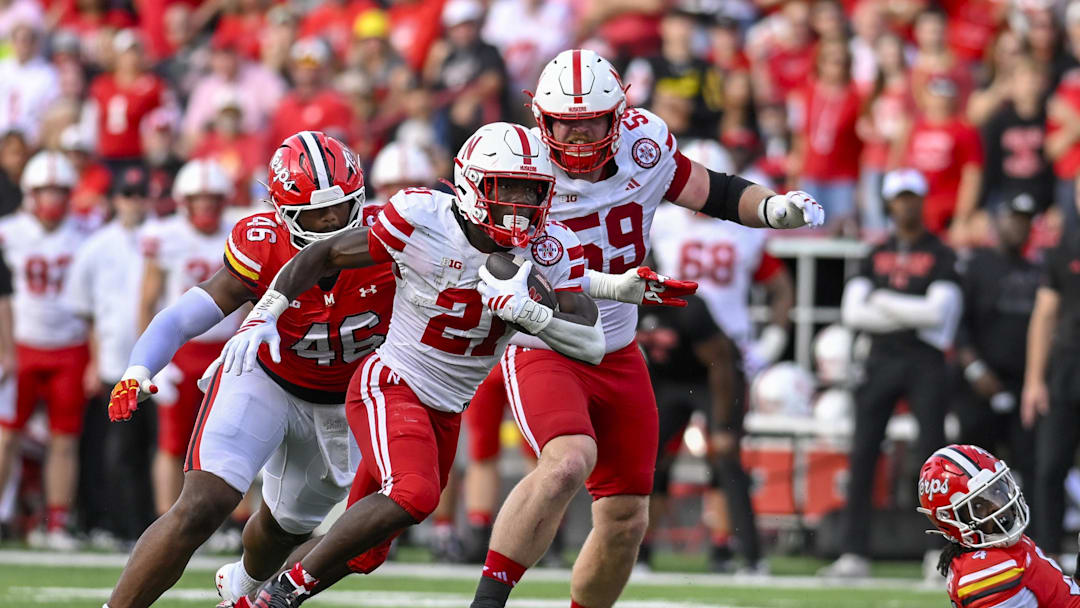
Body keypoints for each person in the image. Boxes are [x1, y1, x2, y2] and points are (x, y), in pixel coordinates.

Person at [468, 49, 822, 608]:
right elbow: (487, 258)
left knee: (627, 515)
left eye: (590, 124)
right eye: (567, 123)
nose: (578, 139)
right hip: (545, 341)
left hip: (620, 348)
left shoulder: (644, 148)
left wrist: (774, 207)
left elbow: (717, 191)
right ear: (543, 119)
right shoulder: (517, 164)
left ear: (618, 116)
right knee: (566, 463)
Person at [221, 121, 610, 607]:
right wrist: (268, 309)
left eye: (530, 191)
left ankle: (245, 599)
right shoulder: (424, 218)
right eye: (504, 189)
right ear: (471, 184)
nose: (518, 205)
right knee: (415, 493)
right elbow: (325, 253)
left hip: (446, 408)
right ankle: (283, 591)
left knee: (366, 550)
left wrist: (534, 312)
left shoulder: (547, 248)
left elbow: (591, 340)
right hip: (392, 381)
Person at [102, 132, 396, 608]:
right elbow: (183, 315)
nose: (329, 222)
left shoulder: (393, 238)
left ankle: (240, 586)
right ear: (282, 213)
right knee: (201, 505)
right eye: (314, 214)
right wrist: (138, 367)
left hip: (342, 403)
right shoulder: (261, 243)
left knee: (282, 534)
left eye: (339, 209)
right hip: (263, 379)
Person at [820, 168, 963, 578]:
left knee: (935, 456)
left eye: (912, 197)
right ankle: (853, 552)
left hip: (924, 361)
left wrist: (882, 300)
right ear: (888, 203)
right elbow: (853, 312)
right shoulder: (874, 252)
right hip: (882, 358)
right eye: (898, 198)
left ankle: (939, 553)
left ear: (922, 200)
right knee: (864, 451)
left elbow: (940, 313)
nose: (906, 205)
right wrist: (910, 313)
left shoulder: (940, 251)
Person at [136, 159, 245, 516]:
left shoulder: (239, 232)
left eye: (212, 199)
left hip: (226, 349)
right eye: (198, 200)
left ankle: (218, 523)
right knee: (171, 442)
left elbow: (250, 299)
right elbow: (148, 300)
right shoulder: (166, 237)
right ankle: (165, 519)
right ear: (183, 201)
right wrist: (149, 362)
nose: (206, 207)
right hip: (182, 351)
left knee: (226, 444)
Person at [0, 151, 91, 550]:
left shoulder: (86, 233)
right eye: (45, 191)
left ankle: (55, 523)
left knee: (64, 439)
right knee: (5, 436)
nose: (52, 199)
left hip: (70, 345)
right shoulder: (8, 232)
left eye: (59, 191)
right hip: (20, 345)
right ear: (30, 193)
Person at [636, 293, 762, 574]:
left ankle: (745, 555)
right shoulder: (622, 303)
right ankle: (640, 552)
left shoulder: (688, 308)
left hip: (713, 381)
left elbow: (722, 364)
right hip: (667, 383)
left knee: (725, 461)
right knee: (648, 462)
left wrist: (724, 424)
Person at [66, 168, 156, 545]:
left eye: (139, 193)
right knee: (117, 449)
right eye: (126, 193)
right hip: (114, 362)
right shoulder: (96, 245)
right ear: (115, 199)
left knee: (159, 448)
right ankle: (119, 525)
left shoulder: (161, 238)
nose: (133, 201)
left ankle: (154, 526)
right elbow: (85, 308)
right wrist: (93, 358)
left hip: (160, 365)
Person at [918, 444, 1080, 607]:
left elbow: (1062, 597)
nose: (997, 506)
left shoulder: (1000, 550)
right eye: (979, 506)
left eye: (996, 491)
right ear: (951, 519)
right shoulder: (988, 569)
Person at [953, 193, 1040, 488]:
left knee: (1031, 465)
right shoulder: (976, 265)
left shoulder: (1038, 271)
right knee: (971, 471)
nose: (1019, 227)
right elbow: (957, 322)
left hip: (1024, 384)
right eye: (1013, 218)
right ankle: (966, 534)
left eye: (1026, 221)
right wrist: (975, 369)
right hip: (979, 382)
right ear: (997, 221)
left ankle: (1033, 534)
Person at [1022, 183, 1080, 561]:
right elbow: (1045, 313)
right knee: (1048, 469)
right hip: (1067, 367)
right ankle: (1045, 560)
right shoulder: (1065, 246)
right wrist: (1033, 380)